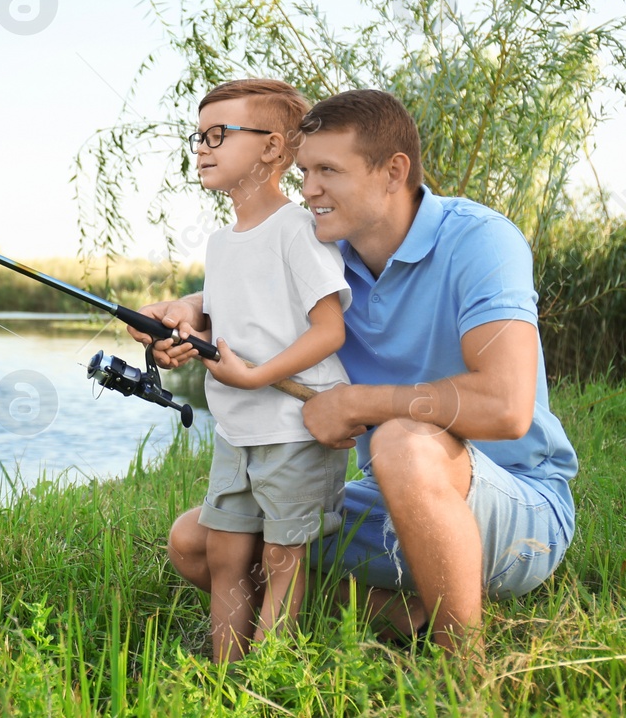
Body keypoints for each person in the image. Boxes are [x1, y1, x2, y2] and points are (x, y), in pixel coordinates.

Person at [136, 88, 578, 655]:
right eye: (303, 170)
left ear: (393, 171)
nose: (308, 189)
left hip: (520, 512)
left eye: (328, 171)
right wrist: (189, 311)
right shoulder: (330, 250)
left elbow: (507, 406)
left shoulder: (481, 241)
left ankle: (465, 674)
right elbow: (257, 292)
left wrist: (359, 403)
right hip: (389, 499)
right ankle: (402, 617)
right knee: (198, 541)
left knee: (402, 442)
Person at [179, 78, 351, 661]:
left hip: (296, 429)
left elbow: (330, 330)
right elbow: (230, 320)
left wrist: (255, 377)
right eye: (198, 136)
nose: (202, 148)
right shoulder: (219, 242)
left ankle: (268, 684)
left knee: (282, 560)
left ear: (274, 149)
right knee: (226, 556)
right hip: (236, 431)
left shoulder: (296, 229)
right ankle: (225, 678)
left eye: (218, 135)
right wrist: (184, 327)